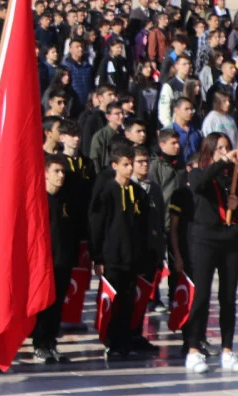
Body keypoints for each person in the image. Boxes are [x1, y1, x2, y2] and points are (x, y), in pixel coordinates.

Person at [183, 133, 238, 373]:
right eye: (220, 148)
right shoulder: (198, 173)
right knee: (202, 296)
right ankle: (194, 348)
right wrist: (222, 162)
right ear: (210, 151)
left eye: (228, 147)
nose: (226, 152)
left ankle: (228, 349)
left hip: (229, 240)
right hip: (204, 240)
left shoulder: (232, 178)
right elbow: (199, 184)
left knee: (227, 297)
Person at [89, 142, 147, 361]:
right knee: (112, 302)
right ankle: (110, 342)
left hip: (131, 257)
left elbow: (141, 226)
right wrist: (97, 257)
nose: (130, 168)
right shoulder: (106, 191)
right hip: (112, 257)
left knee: (128, 302)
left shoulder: (137, 192)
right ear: (114, 165)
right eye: (125, 164)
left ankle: (124, 342)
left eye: (131, 164)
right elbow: (97, 225)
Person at [31, 155, 77, 363]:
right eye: (56, 171)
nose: (61, 176)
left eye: (63, 172)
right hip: (43, 262)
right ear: (45, 173)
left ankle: (51, 343)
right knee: (43, 304)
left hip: (63, 260)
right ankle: (39, 344)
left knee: (58, 305)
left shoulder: (67, 197)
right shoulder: (38, 199)